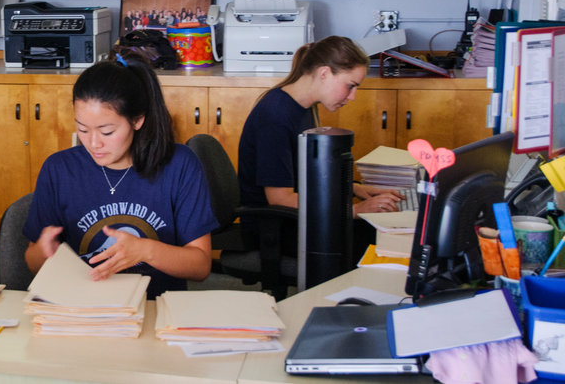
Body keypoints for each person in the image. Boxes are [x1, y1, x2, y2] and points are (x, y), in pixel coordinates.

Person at [23, 54, 217, 299]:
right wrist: (43, 252)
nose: (93, 143)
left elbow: (200, 266)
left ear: (137, 120)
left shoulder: (180, 165)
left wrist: (145, 251)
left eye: (107, 131)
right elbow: (32, 262)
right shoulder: (59, 169)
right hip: (81, 307)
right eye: (82, 129)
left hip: (154, 306)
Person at [237, 35, 402, 215]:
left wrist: (353, 188)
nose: (352, 96)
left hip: (299, 219)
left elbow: (306, 175)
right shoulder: (275, 117)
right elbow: (281, 199)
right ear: (324, 73)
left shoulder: (303, 107)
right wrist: (352, 210)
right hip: (275, 231)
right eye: (350, 86)